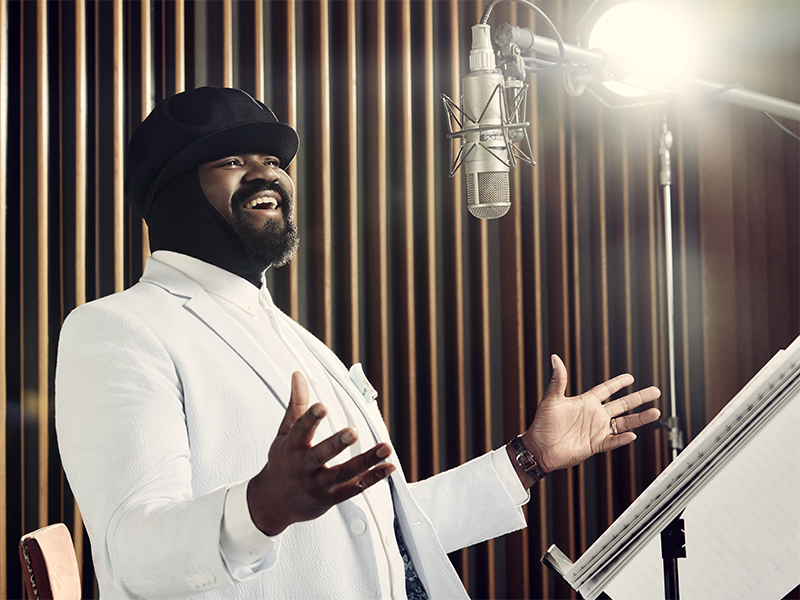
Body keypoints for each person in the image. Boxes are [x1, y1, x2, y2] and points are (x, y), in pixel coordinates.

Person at [55, 86, 660, 599]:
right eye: (234, 160)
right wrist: (260, 507)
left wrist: (526, 459)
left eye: (272, 159)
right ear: (173, 192)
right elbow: (131, 552)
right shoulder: (118, 328)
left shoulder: (295, 338)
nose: (267, 172)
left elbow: (379, 528)